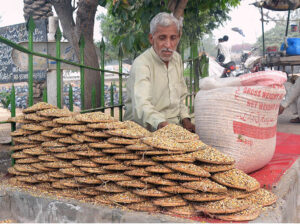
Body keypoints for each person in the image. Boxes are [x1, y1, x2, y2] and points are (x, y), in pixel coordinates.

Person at [124, 12, 195, 132]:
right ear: (151, 38)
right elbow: (142, 105)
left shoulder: (176, 59)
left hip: (173, 127)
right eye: (162, 38)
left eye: (173, 38)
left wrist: (186, 120)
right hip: (145, 129)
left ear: (178, 38)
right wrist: (162, 124)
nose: (168, 45)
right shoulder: (142, 64)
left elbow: (180, 98)